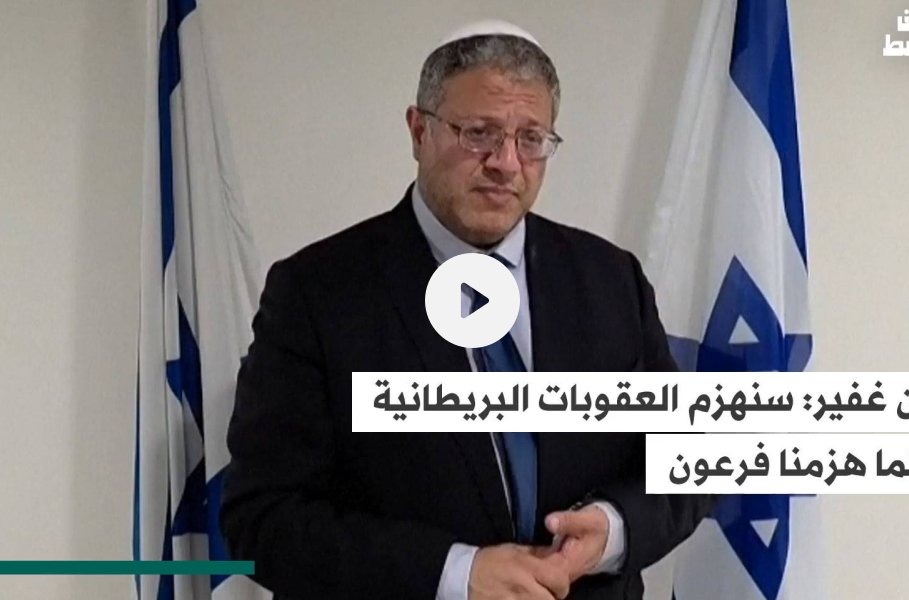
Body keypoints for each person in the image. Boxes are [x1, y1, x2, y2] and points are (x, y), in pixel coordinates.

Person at [222, 20, 715, 600]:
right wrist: (455, 574)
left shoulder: (611, 280)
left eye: (531, 139)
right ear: (419, 131)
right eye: (479, 133)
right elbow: (263, 521)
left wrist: (612, 530)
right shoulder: (317, 293)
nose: (506, 163)